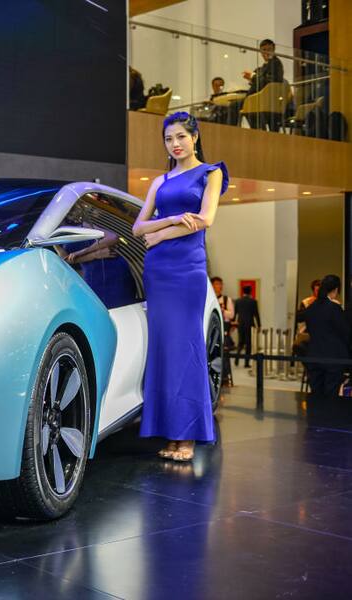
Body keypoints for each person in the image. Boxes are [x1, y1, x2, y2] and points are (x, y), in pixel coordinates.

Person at [132, 111, 228, 462]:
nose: (175, 144)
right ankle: (170, 434)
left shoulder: (211, 172)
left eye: (180, 137)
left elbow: (205, 220)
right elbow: (137, 228)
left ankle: (187, 436)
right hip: (158, 272)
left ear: (195, 137)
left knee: (187, 348)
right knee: (164, 350)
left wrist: (158, 235)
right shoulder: (160, 181)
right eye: (169, 139)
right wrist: (168, 221)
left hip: (187, 269)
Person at [297, 275, 349, 396]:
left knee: (316, 394)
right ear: (336, 289)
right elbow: (345, 332)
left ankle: (315, 415)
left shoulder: (310, 308)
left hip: (314, 356)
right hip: (333, 358)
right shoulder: (334, 308)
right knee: (330, 395)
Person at [241, 39, 285, 130]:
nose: (267, 52)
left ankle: (258, 132)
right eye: (264, 50)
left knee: (234, 106)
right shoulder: (263, 67)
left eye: (269, 49)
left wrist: (253, 77)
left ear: (274, 49)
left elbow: (268, 81)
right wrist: (252, 78)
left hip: (266, 100)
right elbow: (261, 81)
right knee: (235, 105)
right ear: (260, 52)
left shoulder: (275, 63)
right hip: (259, 99)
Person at [211, 276, 234, 385]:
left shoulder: (226, 299)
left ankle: (225, 377)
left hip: (224, 329)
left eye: (220, 284)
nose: (219, 286)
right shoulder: (210, 298)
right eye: (216, 284)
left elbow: (232, 314)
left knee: (224, 355)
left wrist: (223, 310)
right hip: (213, 330)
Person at [234, 286, 260, 368]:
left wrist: (234, 323)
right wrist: (259, 325)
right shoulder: (253, 301)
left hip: (240, 324)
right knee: (248, 344)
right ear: (250, 292)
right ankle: (246, 362)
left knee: (240, 342)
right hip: (249, 324)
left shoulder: (238, 301)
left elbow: (235, 314)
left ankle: (237, 359)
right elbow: (256, 314)